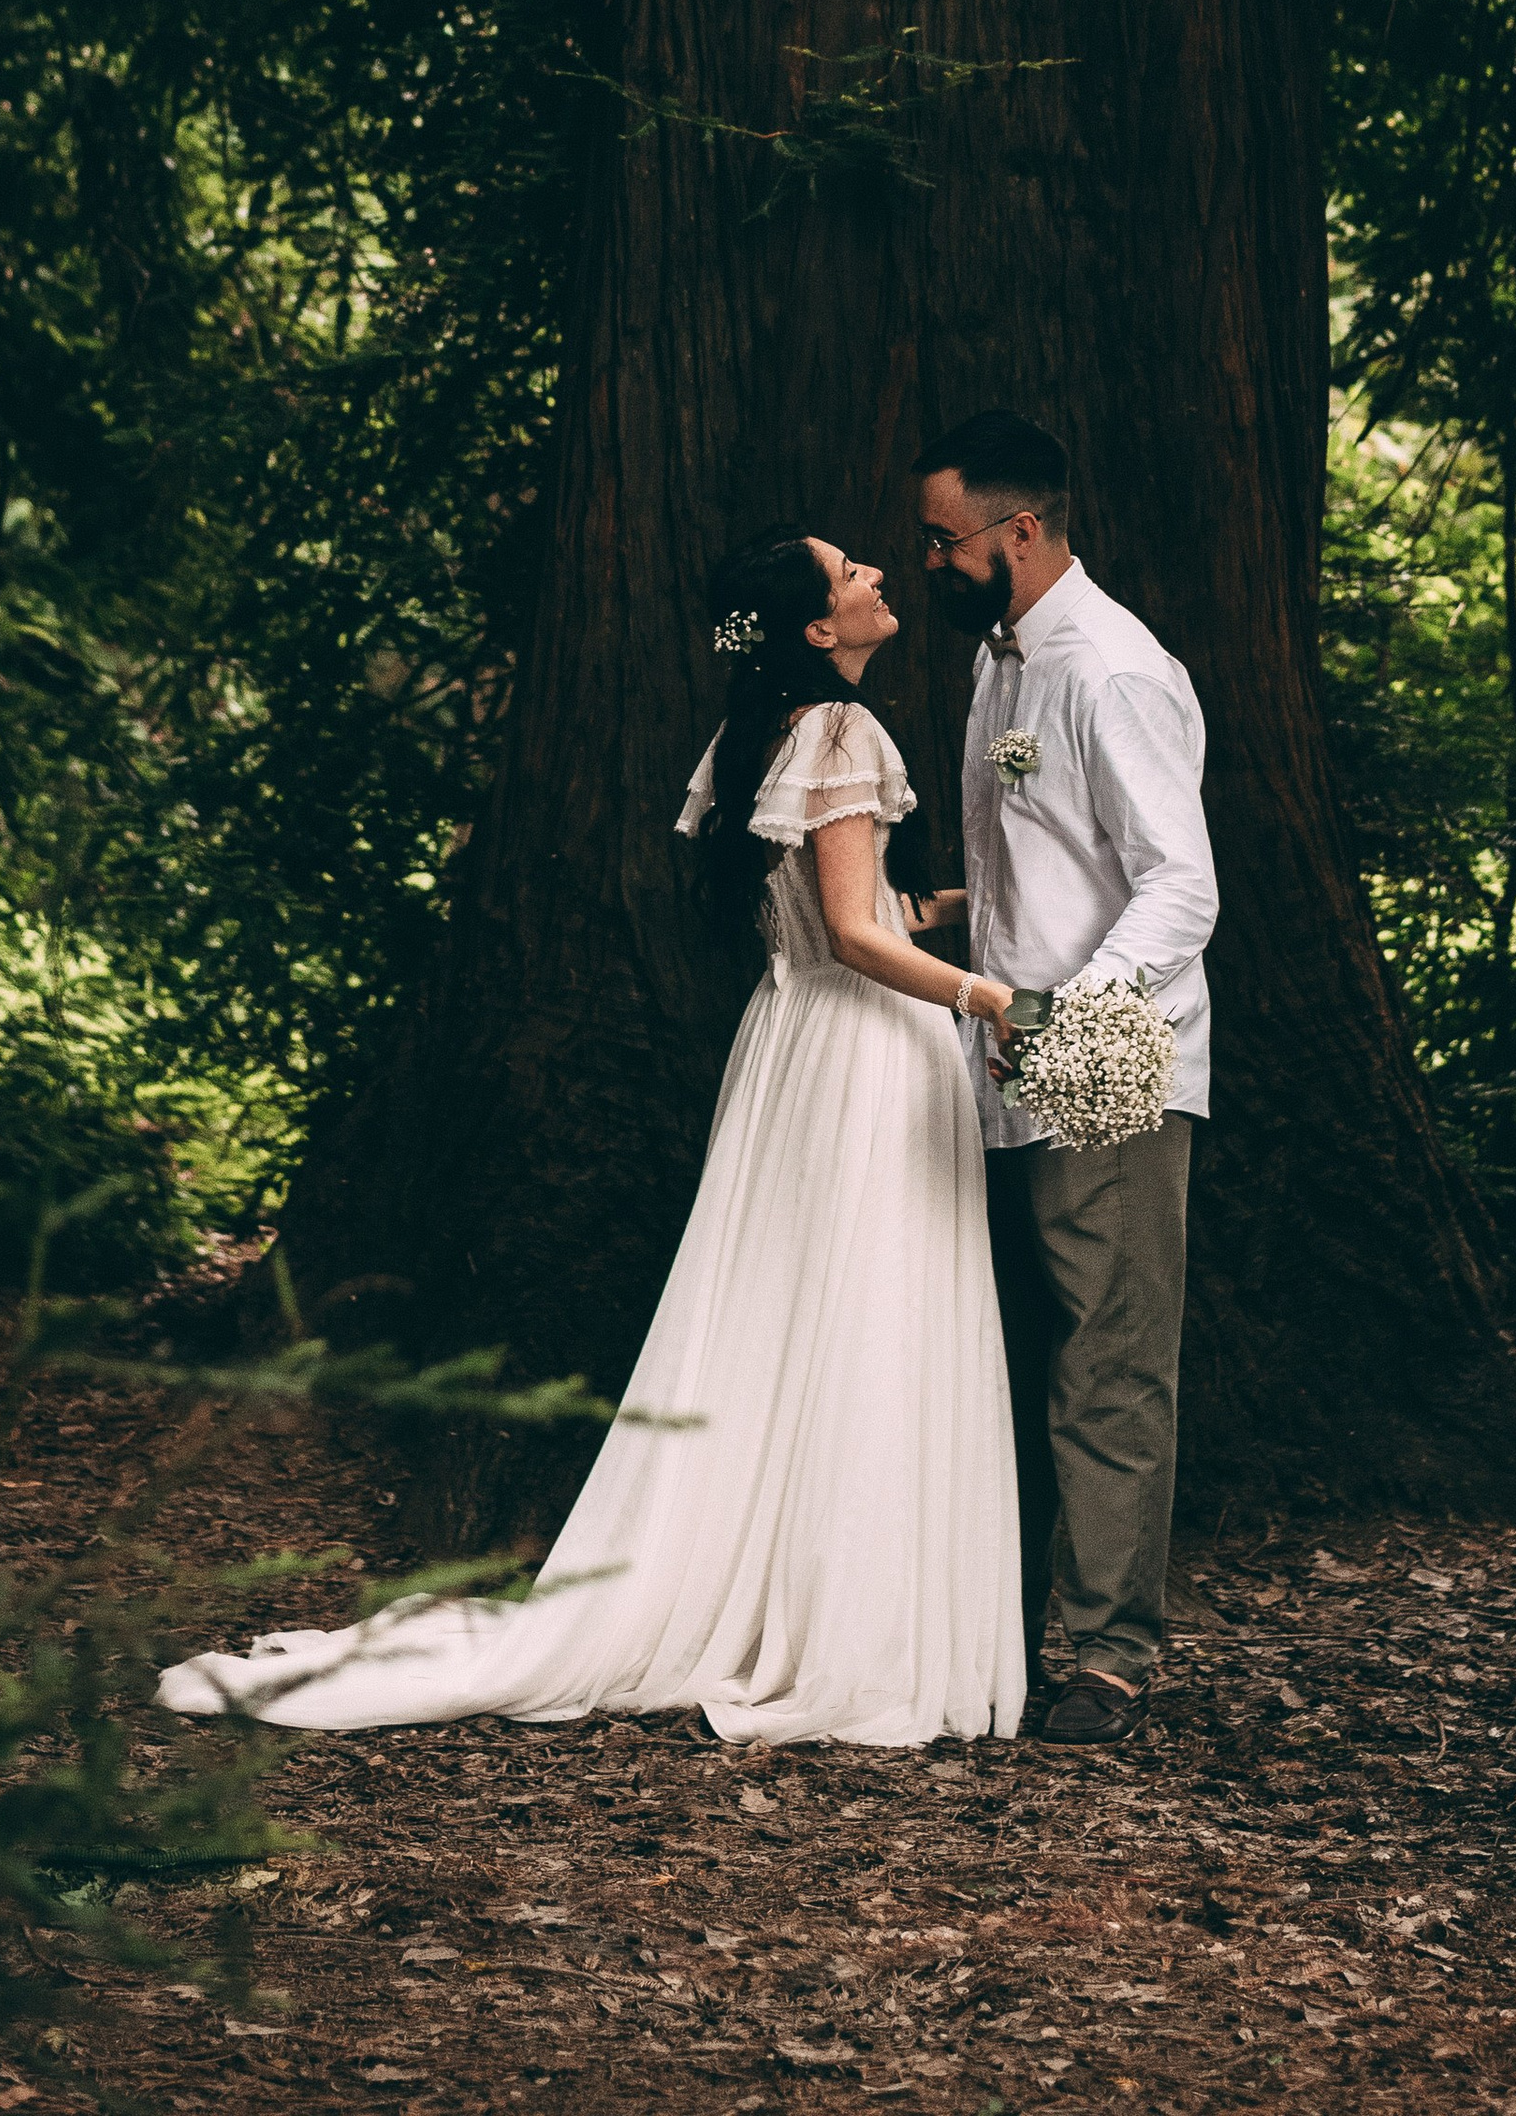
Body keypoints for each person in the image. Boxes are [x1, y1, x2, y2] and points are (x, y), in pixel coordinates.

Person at [157, 527, 1026, 1749]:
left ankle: (796, 1588)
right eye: (850, 576)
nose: (879, 575)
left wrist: (995, 901)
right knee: (868, 1305)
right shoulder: (840, 733)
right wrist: (999, 1000)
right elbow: (855, 936)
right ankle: (844, 1620)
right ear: (820, 630)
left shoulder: (760, 733)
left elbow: (870, 907)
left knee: (808, 1309)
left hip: (794, 1050)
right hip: (860, 1045)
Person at [913, 412, 1218, 1749]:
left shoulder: (1110, 669)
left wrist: (1063, 1008)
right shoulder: (999, 663)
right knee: (1022, 1349)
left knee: (1109, 1357)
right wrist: (951, 915)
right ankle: (1013, 1631)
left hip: (1115, 1058)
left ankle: (1110, 1662)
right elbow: (1047, 860)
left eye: (945, 538)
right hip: (1007, 1055)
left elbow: (1180, 883)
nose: (928, 560)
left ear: (1019, 531)